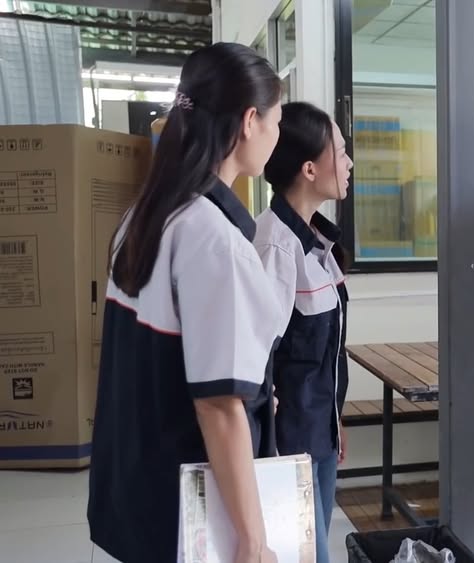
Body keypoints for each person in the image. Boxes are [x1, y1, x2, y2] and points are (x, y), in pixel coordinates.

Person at [87, 42, 285, 563]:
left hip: (137, 491)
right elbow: (217, 406)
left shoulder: (145, 216)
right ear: (250, 122)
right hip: (190, 512)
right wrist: (252, 541)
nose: (277, 134)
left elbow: (164, 366)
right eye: (277, 121)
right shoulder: (213, 239)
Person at [253, 101, 353, 563]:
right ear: (309, 169)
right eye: (341, 152)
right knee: (308, 556)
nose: (349, 164)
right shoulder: (275, 244)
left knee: (314, 549)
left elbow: (322, 352)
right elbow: (257, 356)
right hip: (290, 444)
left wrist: (336, 419)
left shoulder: (317, 243)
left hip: (320, 433)